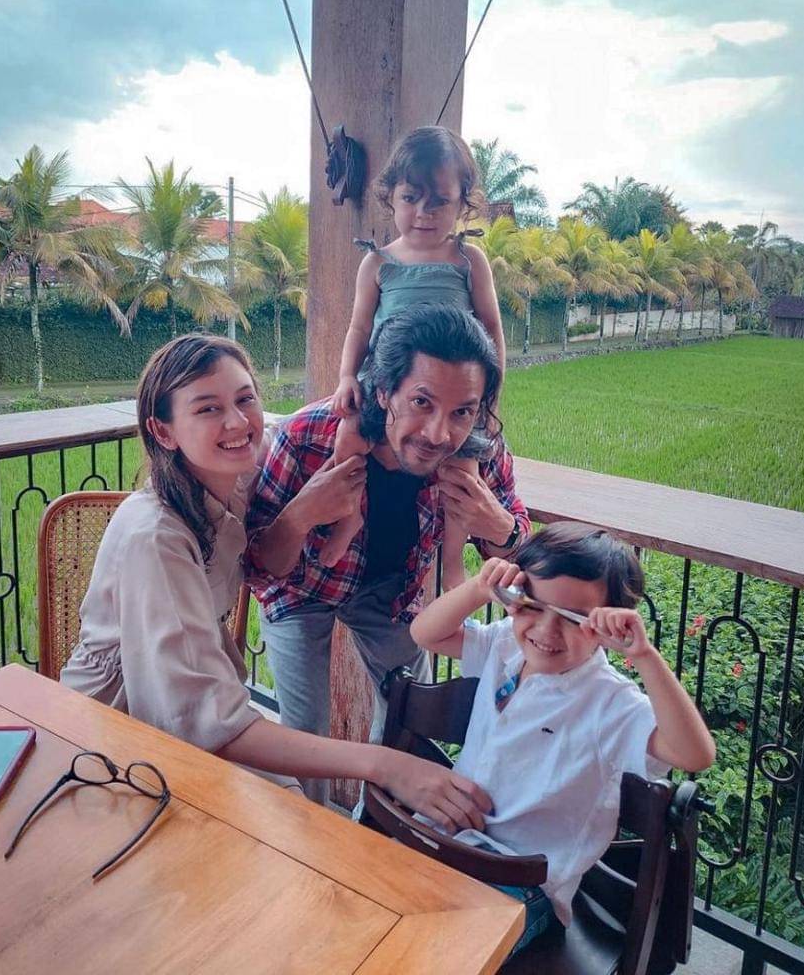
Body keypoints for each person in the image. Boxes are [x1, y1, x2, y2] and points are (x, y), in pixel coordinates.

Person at [60, 334, 492, 832]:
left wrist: (391, 421)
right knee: (293, 818)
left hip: (204, 702)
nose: (236, 423)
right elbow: (207, 725)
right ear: (163, 431)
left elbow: (321, 427)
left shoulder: (237, 474)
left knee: (298, 813)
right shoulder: (156, 539)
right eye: (207, 409)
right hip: (117, 734)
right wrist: (385, 765)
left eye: (245, 399)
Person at [245, 304, 529, 803]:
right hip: (301, 588)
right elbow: (259, 566)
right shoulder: (309, 437)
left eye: (462, 412)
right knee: (304, 731)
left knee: (410, 716)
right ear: (382, 391)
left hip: (393, 594)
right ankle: (308, 831)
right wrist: (300, 515)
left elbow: (520, 549)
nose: (439, 434)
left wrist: (499, 527)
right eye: (421, 402)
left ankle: (374, 827)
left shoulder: (480, 454)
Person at [410, 523, 716, 952]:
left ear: (608, 626)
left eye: (574, 619)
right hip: (447, 838)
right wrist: (479, 588)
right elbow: (425, 633)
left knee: (436, 953)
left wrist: (644, 656)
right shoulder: (505, 647)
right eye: (532, 606)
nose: (546, 631)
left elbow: (695, 754)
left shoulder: (609, 703)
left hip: (521, 884)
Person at [322, 126, 506, 572]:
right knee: (348, 439)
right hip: (387, 386)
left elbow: (492, 330)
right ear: (391, 197)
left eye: (440, 201)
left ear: (462, 204)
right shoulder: (378, 262)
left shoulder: (468, 260)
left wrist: (488, 397)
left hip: (451, 391)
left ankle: (451, 559)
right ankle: (347, 518)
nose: (424, 212)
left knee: (464, 472)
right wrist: (346, 377)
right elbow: (359, 327)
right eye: (411, 198)